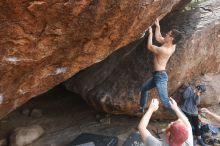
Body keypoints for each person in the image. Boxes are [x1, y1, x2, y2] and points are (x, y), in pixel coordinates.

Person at [138, 18, 182, 113]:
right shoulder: (171, 45)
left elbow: (149, 46)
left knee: (165, 101)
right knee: (144, 89)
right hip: (157, 75)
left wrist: (150, 34)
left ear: (171, 38)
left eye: (168, 34)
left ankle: (181, 115)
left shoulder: (164, 50)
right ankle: (141, 108)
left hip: (160, 77)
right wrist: (157, 26)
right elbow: (158, 38)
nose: (166, 34)